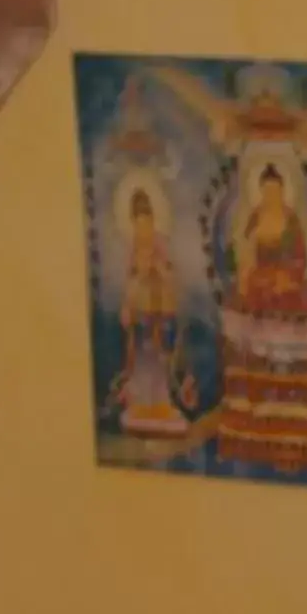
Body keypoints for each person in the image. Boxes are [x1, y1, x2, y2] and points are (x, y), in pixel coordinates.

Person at [113, 185, 185, 434]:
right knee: (142, 359)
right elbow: (130, 282)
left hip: (160, 310)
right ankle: (142, 405)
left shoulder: (160, 244)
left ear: (153, 220)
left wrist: (157, 267)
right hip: (141, 312)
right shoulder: (133, 249)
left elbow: (172, 276)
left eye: (147, 222)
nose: (143, 229)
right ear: (133, 224)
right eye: (138, 224)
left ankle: (161, 404)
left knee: (159, 360)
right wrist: (127, 305)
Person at [231, 165, 307, 318]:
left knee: (297, 293)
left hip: (287, 274)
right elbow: (245, 251)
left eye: (275, 191)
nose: (272, 195)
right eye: (267, 191)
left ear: (282, 191)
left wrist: (289, 273)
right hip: (260, 275)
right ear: (261, 192)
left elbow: (301, 255)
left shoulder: (291, 219)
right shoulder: (255, 218)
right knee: (254, 287)